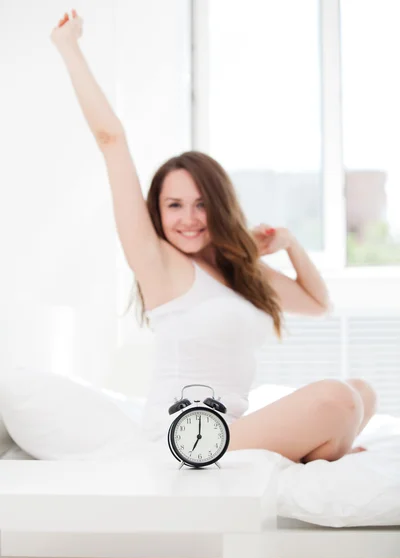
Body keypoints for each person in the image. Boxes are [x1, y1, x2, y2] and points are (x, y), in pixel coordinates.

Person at [51, 11, 377, 463]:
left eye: (201, 203)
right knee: (339, 399)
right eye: (174, 205)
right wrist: (69, 47)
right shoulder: (157, 262)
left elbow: (319, 304)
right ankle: (323, 453)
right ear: (157, 213)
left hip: (230, 429)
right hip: (183, 434)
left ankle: (322, 450)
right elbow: (111, 139)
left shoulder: (233, 267)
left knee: (362, 393)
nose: (189, 219)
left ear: (219, 206)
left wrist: (290, 245)